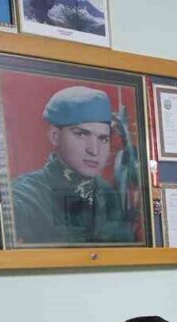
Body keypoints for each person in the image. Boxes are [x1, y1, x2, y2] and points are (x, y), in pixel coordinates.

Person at [12, 85, 137, 246]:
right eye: (81, 134)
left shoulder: (108, 195)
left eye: (103, 138)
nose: (94, 150)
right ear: (55, 136)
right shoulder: (26, 195)